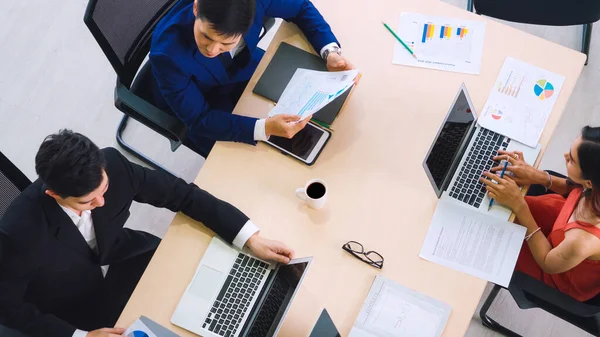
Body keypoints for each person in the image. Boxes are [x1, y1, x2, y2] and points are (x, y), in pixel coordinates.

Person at [0, 130, 295, 337]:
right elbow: (8, 309)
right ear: (53, 194)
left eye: (103, 192)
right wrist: (81, 336)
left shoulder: (112, 165)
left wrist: (250, 237)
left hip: (126, 256)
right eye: (87, 202)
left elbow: (181, 195)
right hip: (76, 305)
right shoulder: (18, 234)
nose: (100, 204)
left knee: (210, 293)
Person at [150, 0, 354, 156]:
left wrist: (330, 52)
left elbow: (300, 6)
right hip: (205, 103)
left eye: (225, 43)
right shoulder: (166, 55)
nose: (212, 50)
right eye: (206, 36)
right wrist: (263, 128)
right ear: (196, 8)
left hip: (245, 68)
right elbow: (200, 119)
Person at [480, 126, 600, 301]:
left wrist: (520, 206)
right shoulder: (595, 184)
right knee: (496, 205)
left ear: (589, 182)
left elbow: (547, 262)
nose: (565, 156)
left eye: (572, 160)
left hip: (557, 267)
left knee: (485, 234)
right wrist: (537, 176)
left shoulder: (582, 242)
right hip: (565, 218)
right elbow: (574, 188)